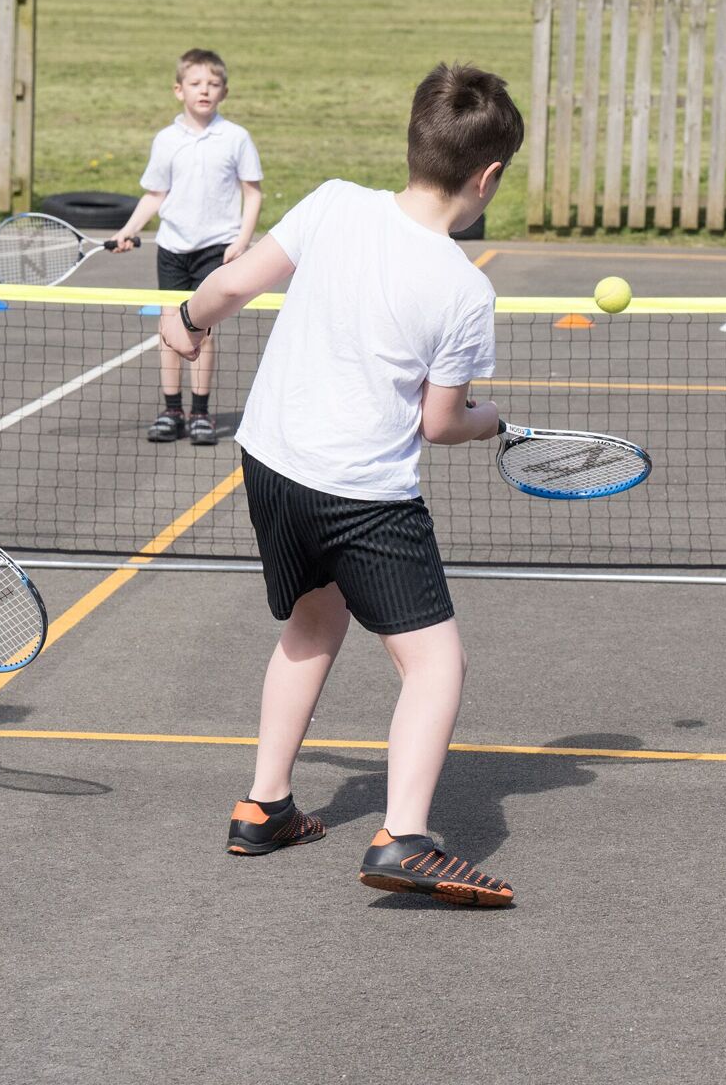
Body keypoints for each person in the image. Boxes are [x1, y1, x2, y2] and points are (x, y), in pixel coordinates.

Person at [159, 63, 521, 906]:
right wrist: (491, 419)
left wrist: (183, 321)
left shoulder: (330, 201)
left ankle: (265, 805)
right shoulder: (466, 289)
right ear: (489, 176)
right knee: (436, 666)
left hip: (272, 464)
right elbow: (440, 423)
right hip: (363, 493)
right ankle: (404, 836)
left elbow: (231, 284)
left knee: (315, 619)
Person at [114, 48, 265, 446]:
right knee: (169, 330)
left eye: (213, 85)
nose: (205, 91)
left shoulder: (235, 138)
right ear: (178, 90)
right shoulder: (166, 141)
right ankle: (171, 411)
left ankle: (200, 413)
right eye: (196, 84)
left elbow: (253, 194)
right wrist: (129, 229)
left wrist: (242, 241)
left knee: (202, 331)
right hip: (173, 248)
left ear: (224, 92)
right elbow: (154, 195)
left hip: (216, 248)